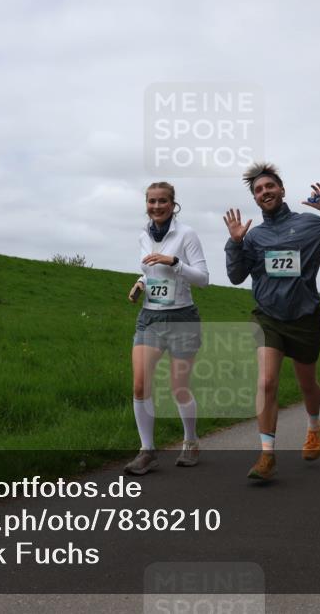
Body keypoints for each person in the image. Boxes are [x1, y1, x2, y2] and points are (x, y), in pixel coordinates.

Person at [223, 163, 320, 480]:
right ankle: (267, 455)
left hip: (305, 317)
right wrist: (236, 243)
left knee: (306, 383)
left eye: (269, 186)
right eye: (258, 190)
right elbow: (235, 276)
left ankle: (314, 426)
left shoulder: (310, 224)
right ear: (255, 199)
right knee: (267, 382)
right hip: (268, 316)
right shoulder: (254, 237)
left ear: (281, 190)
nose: (264, 192)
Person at [125, 182, 209, 475]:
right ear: (146, 203)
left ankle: (191, 441)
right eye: (152, 201)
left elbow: (203, 278)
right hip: (150, 317)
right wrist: (140, 283)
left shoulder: (186, 235)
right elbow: (150, 271)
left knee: (179, 388)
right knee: (140, 384)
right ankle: (147, 451)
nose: (157, 206)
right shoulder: (143, 236)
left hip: (182, 318)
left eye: (163, 201)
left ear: (173, 204)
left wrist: (174, 262)